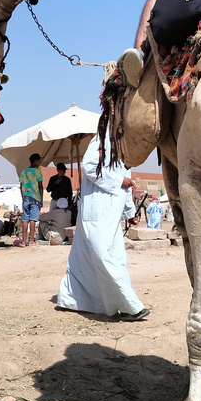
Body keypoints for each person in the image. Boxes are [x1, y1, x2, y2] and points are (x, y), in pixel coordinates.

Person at [56, 135, 150, 321]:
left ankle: (71, 299)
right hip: (97, 209)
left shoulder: (124, 143)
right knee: (101, 254)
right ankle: (130, 306)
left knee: (95, 257)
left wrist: (130, 212)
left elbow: (126, 183)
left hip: (111, 213)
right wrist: (116, 181)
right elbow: (89, 166)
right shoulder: (103, 138)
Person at [20, 153, 44, 247]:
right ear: (36, 161)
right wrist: (41, 199)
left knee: (25, 219)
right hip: (35, 197)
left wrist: (23, 198)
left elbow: (21, 186)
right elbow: (40, 187)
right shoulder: (38, 172)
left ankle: (23, 242)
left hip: (26, 197)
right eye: (39, 160)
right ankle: (31, 241)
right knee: (33, 219)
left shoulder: (23, 172)